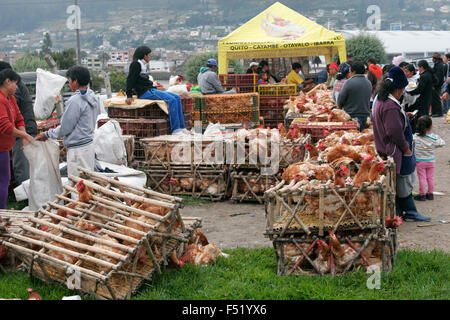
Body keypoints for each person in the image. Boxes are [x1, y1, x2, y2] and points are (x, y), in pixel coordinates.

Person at [372, 66, 430, 222]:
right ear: (397, 89)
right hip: (395, 149)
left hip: (385, 148)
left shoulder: (381, 100)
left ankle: (398, 213)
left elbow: (393, 125)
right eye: (403, 89)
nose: (403, 92)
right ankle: (410, 212)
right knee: (403, 181)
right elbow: (394, 132)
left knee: (396, 183)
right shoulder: (390, 106)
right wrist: (406, 148)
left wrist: (404, 117)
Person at [36, 66, 99, 179]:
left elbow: (65, 127)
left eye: (69, 81)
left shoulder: (75, 100)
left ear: (75, 81)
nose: (69, 84)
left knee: (77, 186)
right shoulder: (92, 96)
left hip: (78, 150)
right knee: (87, 184)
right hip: (88, 146)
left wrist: (47, 134)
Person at [125, 46, 185, 133]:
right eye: (148, 55)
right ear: (144, 56)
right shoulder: (136, 64)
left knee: (177, 98)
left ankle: (182, 127)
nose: (149, 57)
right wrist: (129, 95)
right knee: (172, 100)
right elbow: (130, 80)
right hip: (145, 92)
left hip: (150, 89)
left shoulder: (142, 65)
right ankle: (175, 129)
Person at [0, 69, 34, 209]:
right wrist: (25, 135)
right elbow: (5, 126)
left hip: (5, 147)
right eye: (15, 83)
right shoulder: (1, 100)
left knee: (5, 180)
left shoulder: (11, 98)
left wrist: (23, 133)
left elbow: (19, 118)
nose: (17, 87)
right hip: (1, 148)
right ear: (7, 82)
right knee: (3, 181)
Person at [413, 116, 445, 201]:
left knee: (422, 178)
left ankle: (422, 194)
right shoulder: (434, 137)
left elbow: (410, 143)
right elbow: (442, 143)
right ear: (431, 126)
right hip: (431, 161)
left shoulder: (416, 137)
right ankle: (430, 194)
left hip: (420, 161)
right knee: (430, 177)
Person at [337, 60, 372, 131]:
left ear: (354, 71)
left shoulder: (348, 83)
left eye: (350, 71)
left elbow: (340, 101)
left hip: (351, 116)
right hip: (365, 117)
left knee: (352, 138)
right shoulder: (368, 83)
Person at [408, 60, 434, 132]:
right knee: (425, 114)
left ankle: (422, 130)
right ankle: (426, 129)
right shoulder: (429, 74)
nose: (418, 69)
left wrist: (410, 92)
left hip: (423, 98)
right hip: (428, 97)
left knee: (422, 115)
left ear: (421, 67)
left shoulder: (423, 76)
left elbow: (420, 89)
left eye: (418, 67)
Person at [431, 53, 445, 117]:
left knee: (436, 99)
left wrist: (434, 85)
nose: (432, 59)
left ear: (436, 59)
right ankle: (434, 112)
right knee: (433, 99)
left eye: (433, 58)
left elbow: (438, 77)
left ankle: (439, 112)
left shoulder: (439, 65)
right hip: (436, 84)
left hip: (437, 85)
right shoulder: (438, 64)